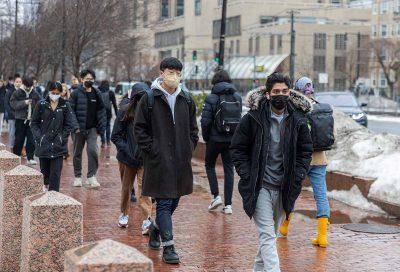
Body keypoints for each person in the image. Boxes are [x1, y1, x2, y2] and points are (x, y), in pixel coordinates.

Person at [230, 73, 313, 272]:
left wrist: (299, 174)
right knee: (267, 236)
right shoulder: (253, 118)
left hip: (285, 187)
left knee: (270, 237)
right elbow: (237, 148)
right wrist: (246, 173)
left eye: (285, 91)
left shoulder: (298, 120)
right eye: (276, 91)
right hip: (260, 186)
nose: (281, 95)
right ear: (268, 94)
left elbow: (305, 151)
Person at [134, 57, 199, 264]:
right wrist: (153, 150)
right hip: (159, 161)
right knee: (163, 203)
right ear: (161, 73)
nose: (174, 75)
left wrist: (188, 149)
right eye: (170, 71)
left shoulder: (186, 99)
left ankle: (155, 228)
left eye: (177, 72)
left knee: (174, 202)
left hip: (180, 162)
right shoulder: (150, 98)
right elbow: (139, 129)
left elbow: (193, 130)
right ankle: (169, 247)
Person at [279, 76, 331, 248]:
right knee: (321, 196)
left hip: (300, 158)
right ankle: (322, 237)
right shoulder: (322, 108)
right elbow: (332, 136)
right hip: (319, 159)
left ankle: (284, 227)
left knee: (292, 192)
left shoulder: (295, 107)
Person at [112, 82, 153, 235]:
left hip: (144, 158)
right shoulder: (124, 112)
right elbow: (115, 135)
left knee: (145, 189)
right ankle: (124, 213)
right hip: (126, 159)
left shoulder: (151, 114)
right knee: (126, 188)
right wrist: (128, 150)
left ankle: (147, 218)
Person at [200, 69, 242, 214]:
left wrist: (206, 138)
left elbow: (205, 122)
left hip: (215, 139)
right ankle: (228, 205)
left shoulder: (212, 97)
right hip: (231, 139)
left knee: (209, 164)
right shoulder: (237, 96)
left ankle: (216, 196)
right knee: (229, 169)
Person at [31, 82, 79, 192]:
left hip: (58, 145)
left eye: (58, 93)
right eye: (53, 92)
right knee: (45, 173)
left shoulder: (65, 105)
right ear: (49, 92)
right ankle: (45, 190)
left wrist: (63, 136)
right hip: (44, 144)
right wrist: (39, 137)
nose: (55, 95)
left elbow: (69, 123)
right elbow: (34, 123)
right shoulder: (41, 104)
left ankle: (54, 197)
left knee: (56, 174)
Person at [69, 69, 106, 188]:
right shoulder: (75, 93)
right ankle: (78, 176)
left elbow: (102, 110)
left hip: (92, 129)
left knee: (92, 151)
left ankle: (91, 176)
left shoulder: (97, 93)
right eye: (87, 79)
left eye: (91, 79)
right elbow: (70, 111)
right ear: (81, 79)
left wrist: (102, 127)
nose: (89, 81)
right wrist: (75, 127)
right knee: (77, 153)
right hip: (79, 129)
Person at [10, 76, 41, 165]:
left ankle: (30, 157)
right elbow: (13, 104)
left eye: (30, 86)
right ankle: (16, 156)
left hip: (31, 120)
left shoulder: (35, 93)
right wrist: (24, 102)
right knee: (19, 139)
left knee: (31, 140)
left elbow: (40, 105)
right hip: (20, 119)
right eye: (27, 86)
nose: (28, 88)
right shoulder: (17, 92)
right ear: (24, 84)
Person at [99, 80, 117, 148]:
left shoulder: (98, 91)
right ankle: (108, 141)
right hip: (108, 112)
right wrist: (116, 114)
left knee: (101, 126)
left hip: (100, 112)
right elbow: (114, 104)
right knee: (108, 126)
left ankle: (103, 142)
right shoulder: (111, 92)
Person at [4, 75, 19, 150]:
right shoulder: (10, 91)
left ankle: (18, 147)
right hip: (12, 116)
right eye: (16, 82)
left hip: (20, 116)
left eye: (20, 82)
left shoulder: (21, 91)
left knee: (19, 133)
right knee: (12, 132)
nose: (18, 83)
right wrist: (11, 113)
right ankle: (11, 147)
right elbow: (6, 103)